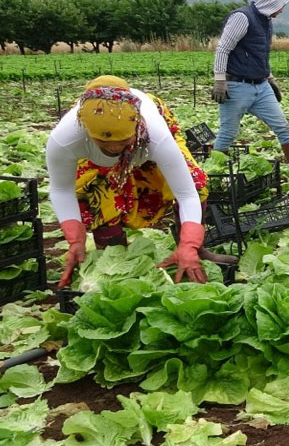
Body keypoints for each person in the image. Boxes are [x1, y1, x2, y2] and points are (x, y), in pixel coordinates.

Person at [46, 76, 234, 288]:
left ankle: (196, 251)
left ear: (138, 126)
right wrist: (75, 240)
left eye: (123, 141)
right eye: (105, 143)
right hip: (99, 150)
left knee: (194, 180)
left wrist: (189, 244)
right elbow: (62, 190)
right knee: (100, 194)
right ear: (87, 132)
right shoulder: (66, 139)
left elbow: (187, 193)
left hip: (145, 145)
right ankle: (115, 262)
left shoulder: (155, 134)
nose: (116, 149)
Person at [211, 0, 289, 177]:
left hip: (261, 86)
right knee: (228, 132)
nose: (281, 10)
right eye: (280, 6)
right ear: (272, 3)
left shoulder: (265, 21)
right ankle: (212, 176)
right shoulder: (242, 17)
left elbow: (259, 54)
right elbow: (223, 49)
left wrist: (271, 79)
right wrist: (220, 80)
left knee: (282, 126)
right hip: (237, 85)